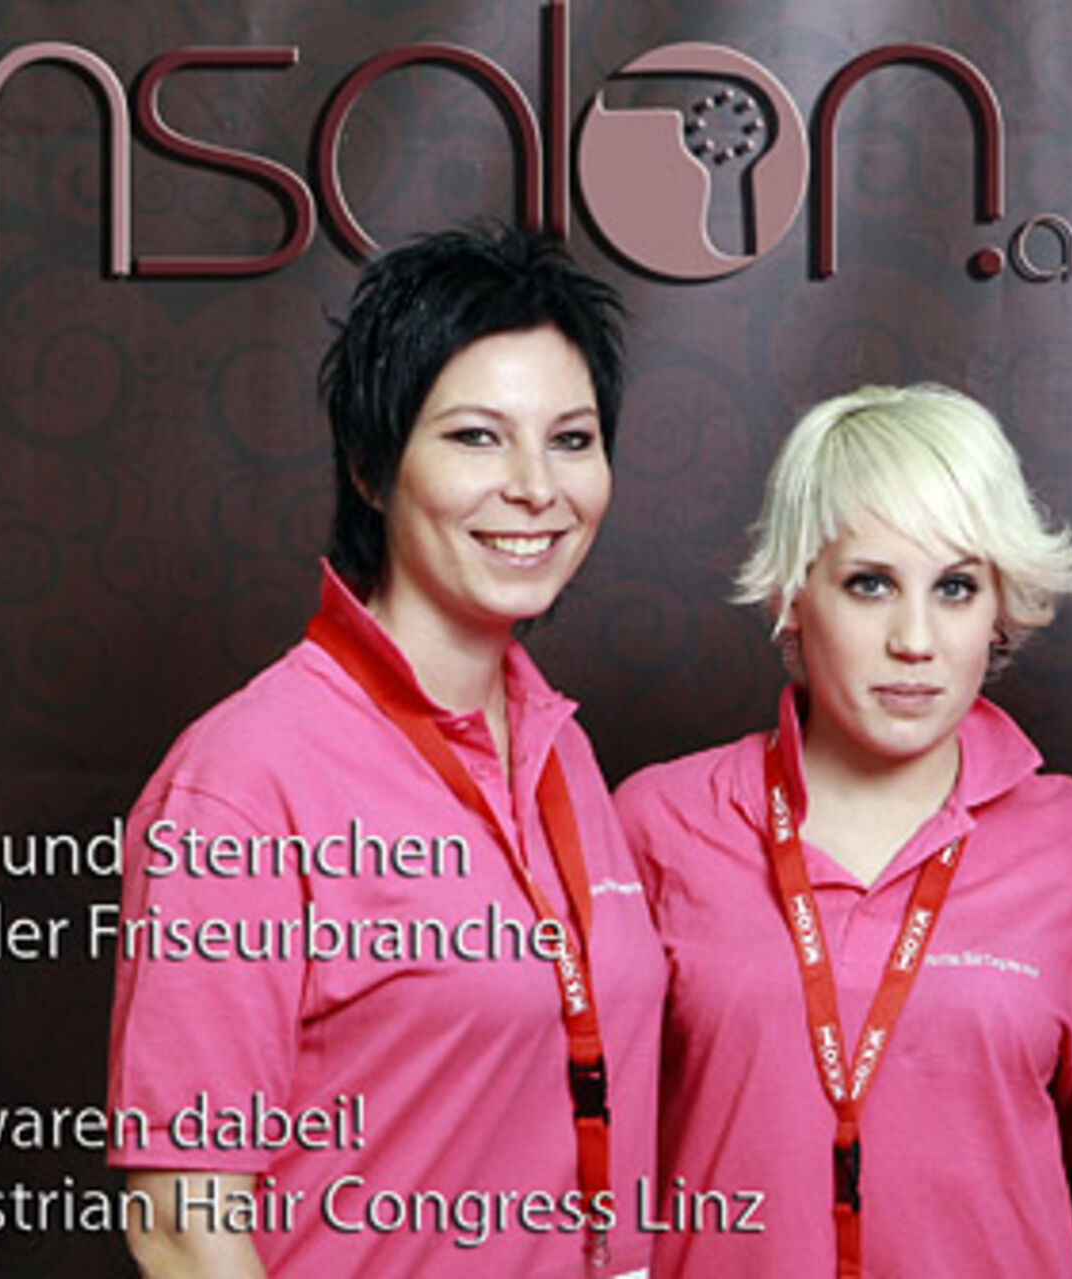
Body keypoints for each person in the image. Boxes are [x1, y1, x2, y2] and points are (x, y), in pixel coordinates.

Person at [106, 225, 663, 1277]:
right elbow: (181, 1220)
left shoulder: (562, 752)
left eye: (572, 438)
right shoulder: (244, 780)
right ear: (370, 467)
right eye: (477, 437)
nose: (536, 486)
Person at [615, 383, 1072, 1276]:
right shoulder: (659, 821)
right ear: (794, 596)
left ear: (999, 609)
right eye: (870, 584)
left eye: (956, 588)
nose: (915, 639)